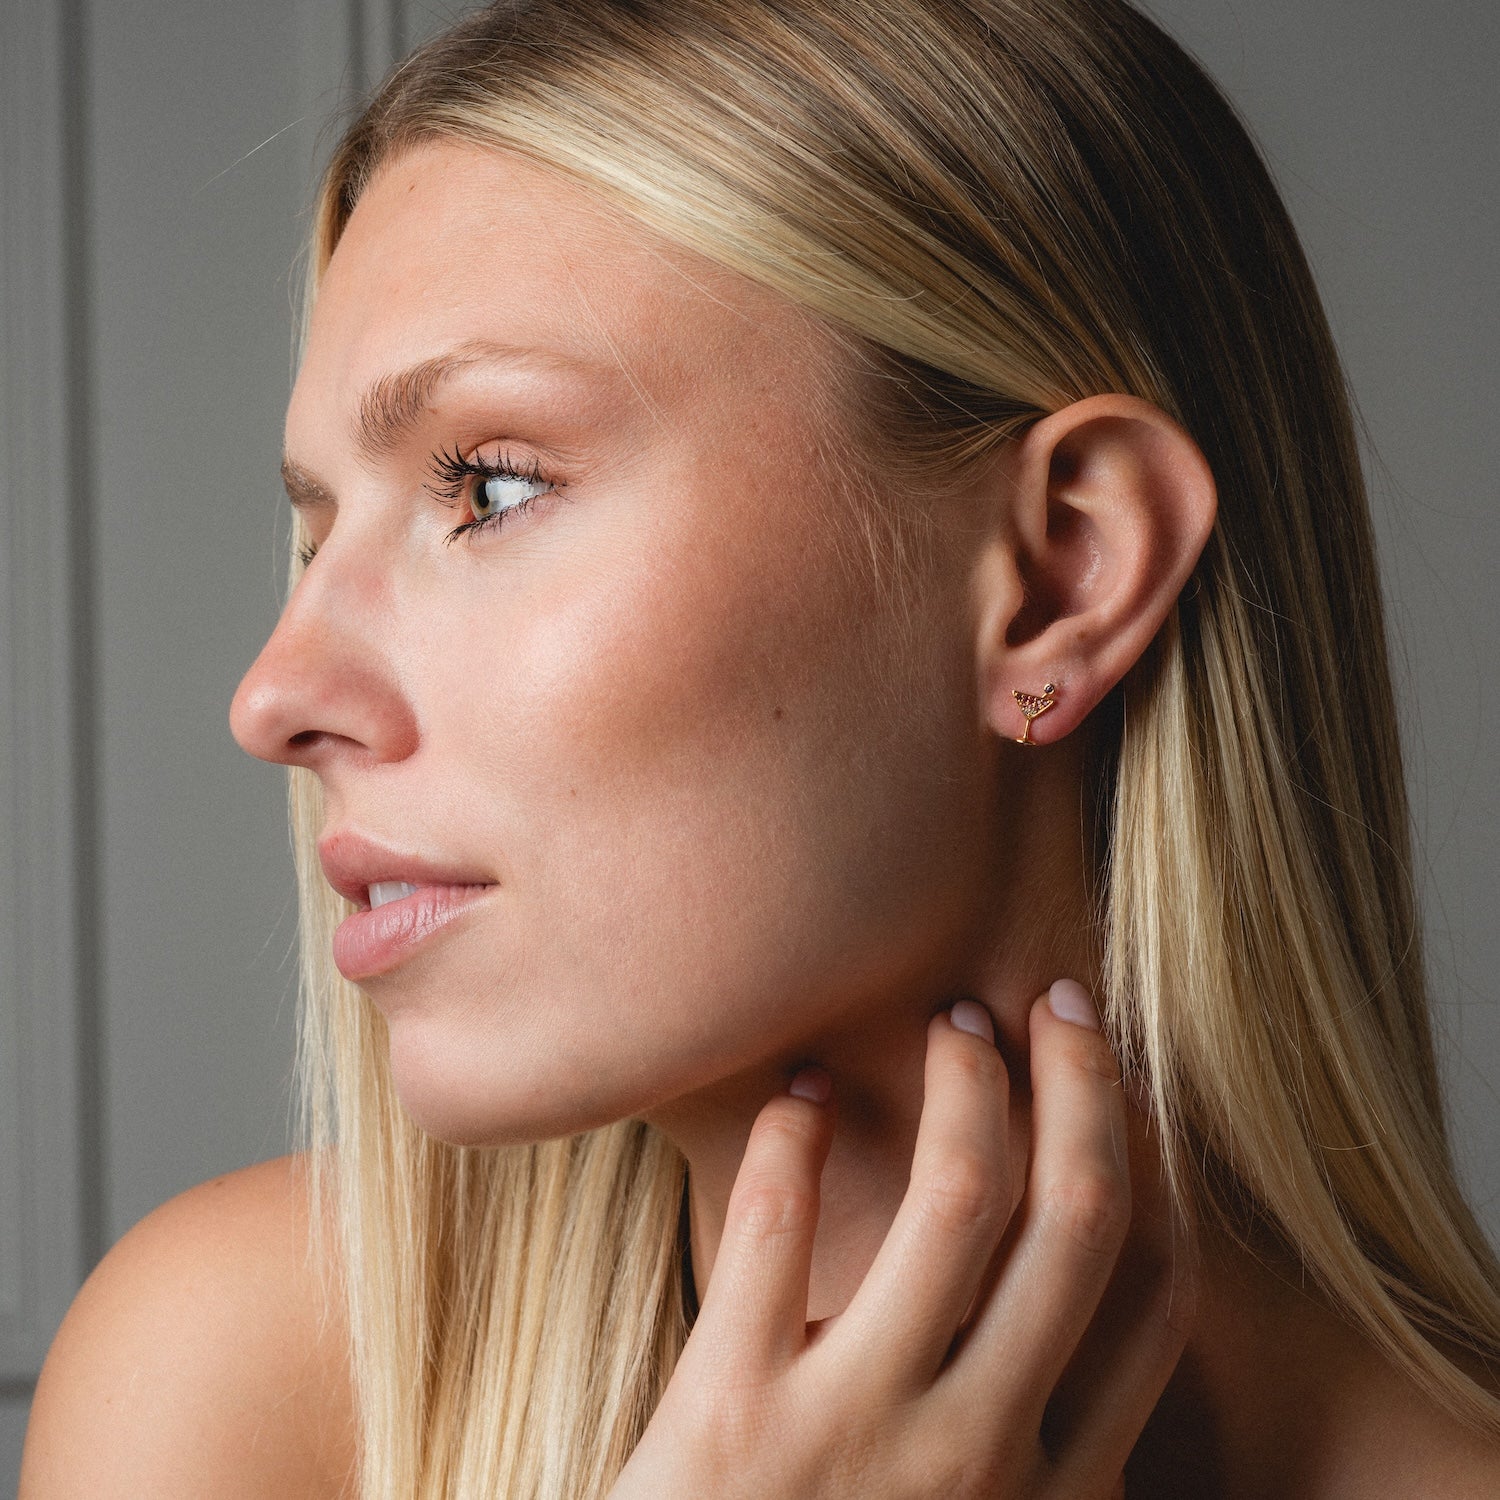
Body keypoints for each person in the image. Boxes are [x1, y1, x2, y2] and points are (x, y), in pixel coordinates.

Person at [21, 0, 1500, 1494]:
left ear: (1064, 572)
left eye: (493, 489)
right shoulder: (235, 1395)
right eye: (316, 534)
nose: (274, 698)